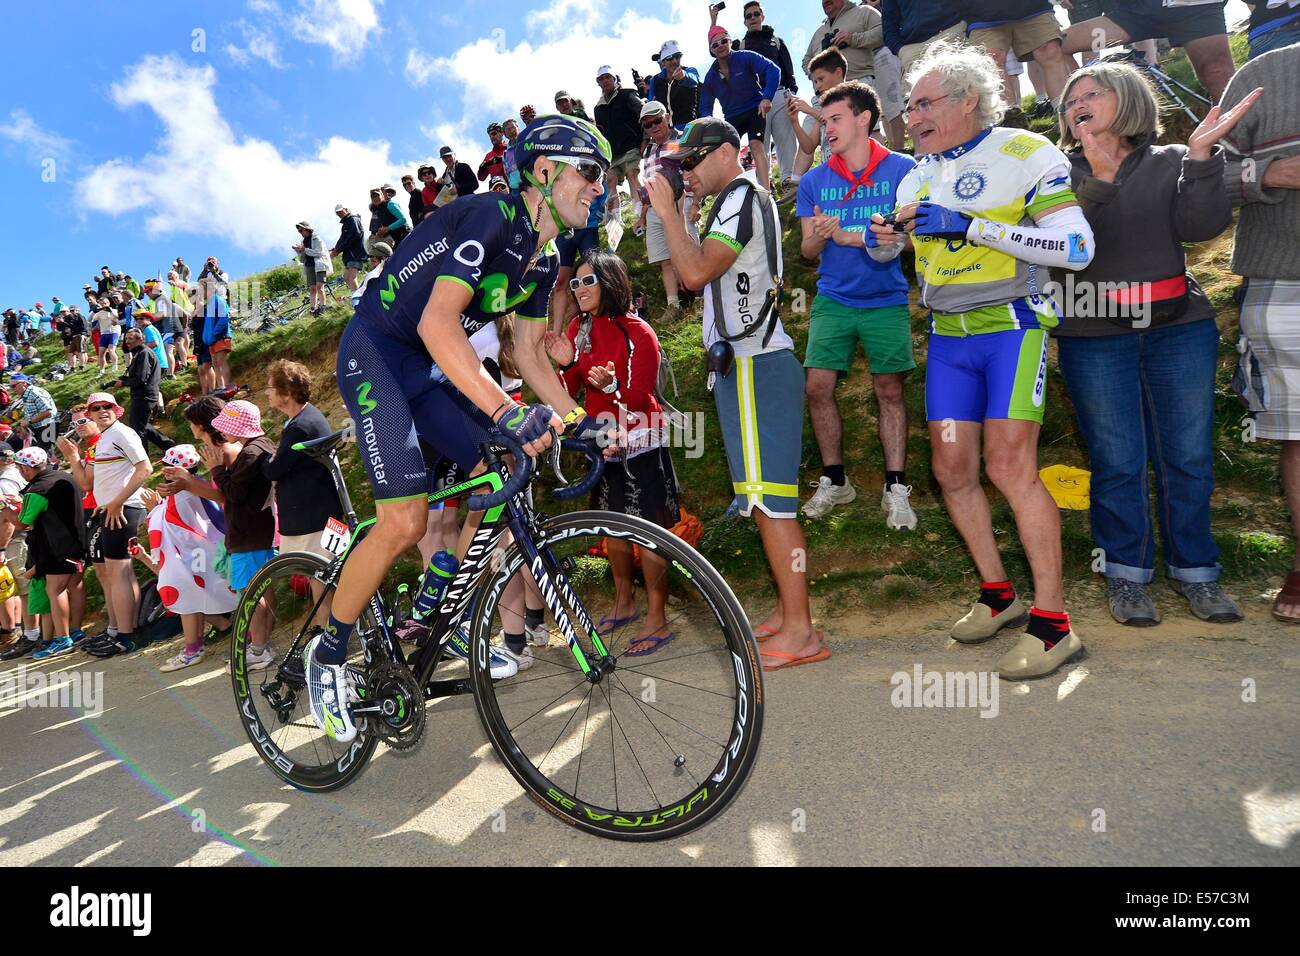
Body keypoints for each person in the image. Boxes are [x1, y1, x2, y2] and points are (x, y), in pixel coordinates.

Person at [304, 114, 613, 743]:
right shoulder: (491, 217)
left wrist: (576, 420)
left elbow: (527, 354)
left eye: (604, 177)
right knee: (406, 520)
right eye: (589, 171)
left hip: (427, 368)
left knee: (496, 476)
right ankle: (329, 654)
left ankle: (432, 598)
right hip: (379, 353)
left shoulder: (545, 254)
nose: (599, 187)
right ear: (545, 171)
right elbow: (439, 327)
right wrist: (506, 412)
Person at [875, 40, 1096, 679]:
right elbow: (894, 255)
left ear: (968, 99)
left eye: (921, 104)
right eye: (908, 106)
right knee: (950, 470)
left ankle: (1055, 625)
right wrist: (885, 241)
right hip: (948, 337)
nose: (909, 116)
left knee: (1008, 466)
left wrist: (972, 225)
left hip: (1012, 328)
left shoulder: (1025, 152)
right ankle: (1000, 595)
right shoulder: (916, 172)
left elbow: (1076, 247)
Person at [1054, 61, 1258, 626]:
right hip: (1092, 333)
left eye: (1091, 92)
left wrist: (1199, 159)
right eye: (1071, 99)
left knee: (1188, 455)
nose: (1078, 103)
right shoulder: (1055, 171)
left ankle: (1198, 573)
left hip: (1179, 328)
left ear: (1129, 100)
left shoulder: (1171, 160)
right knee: (1117, 459)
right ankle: (1126, 576)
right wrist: (1097, 177)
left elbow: (1200, 228)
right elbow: (1065, 247)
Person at [646, 116, 828, 671]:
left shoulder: (742, 198)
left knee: (772, 505)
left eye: (694, 162)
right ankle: (789, 611)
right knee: (758, 500)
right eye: (682, 167)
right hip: (745, 365)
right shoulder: (733, 201)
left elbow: (696, 273)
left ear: (729, 152)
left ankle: (802, 630)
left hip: (755, 364)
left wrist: (670, 216)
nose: (688, 174)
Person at [796, 80, 919, 526]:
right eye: (823, 121)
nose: (826, 128)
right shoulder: (813, 180)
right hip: (833, 298)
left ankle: (895, 488)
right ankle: (836, 481)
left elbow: (921, 242)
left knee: (889, 390)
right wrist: (822, 237)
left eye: (835, 119)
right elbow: (807, 252)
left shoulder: (904, 169)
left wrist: (865, 238)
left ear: (863, 118)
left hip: (886, 299)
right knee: (816, 388)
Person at [548, 251, 681, 654]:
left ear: (610, 282)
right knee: (612, 526)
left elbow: (642, 396)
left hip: (641, 441)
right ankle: (624, 604)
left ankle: (658, 618)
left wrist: (611, 389)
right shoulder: (577, 327)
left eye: (588, 281)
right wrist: (565, 363)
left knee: (649, 531)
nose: (580, 289)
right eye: (576, 283)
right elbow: (568, 391)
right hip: (601, 444)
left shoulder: (638, 331)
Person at [1219, 44, 1300, 623]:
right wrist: (1268, 172)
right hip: (1282, 278)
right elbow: (1198, 176)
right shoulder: (1263, 74)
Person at [135, 445, 237, 672]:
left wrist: (153, 509)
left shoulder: (180, 493)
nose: (164, 472)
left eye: (167, 468)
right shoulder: (197, 484)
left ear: (175, 470)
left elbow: (169, 524)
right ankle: (214, 633)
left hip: (188, 556)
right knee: (198, 597)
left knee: (187, 601)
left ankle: (192, 650)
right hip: (201, 552)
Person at [67, 393, 150, 658]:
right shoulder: (107, 436)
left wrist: (116, 502)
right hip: (112, 509)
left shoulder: (122, 434)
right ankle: (124, 632)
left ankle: (126, 636)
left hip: (123, 509)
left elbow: (145, 468)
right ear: (90, 413)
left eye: (108, 406)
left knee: (119, 573)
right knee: (118, 574)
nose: (102, 410)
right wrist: (108, 502)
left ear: (118, 410)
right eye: (96, 407)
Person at [1062, 0, 1237, 104]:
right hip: (1134, 12)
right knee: (1060, 44)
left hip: (1192, 8)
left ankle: (1237, 141)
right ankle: (1085, 115)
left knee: (1218, 74)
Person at [1, 448, 83, 660]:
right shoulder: (62, 476)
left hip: (56, 548)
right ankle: (66, 634)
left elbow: (22, 522)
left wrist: (3, 508)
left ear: (26, 468)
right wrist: (20, 503)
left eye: (20, 468)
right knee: (66, 588)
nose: (19, 471)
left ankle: (63, 639)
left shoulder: (37, 489)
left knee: (55, 591)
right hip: (73, 542)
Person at [262, 360, 345, 568]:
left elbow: (273, 469)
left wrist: (267, 459)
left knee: (320, 581)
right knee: (323, 580)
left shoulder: (300, 426)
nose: (266, 393)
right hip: (319, 513)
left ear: (287, 393)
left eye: (271, 388)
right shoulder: (306, 417)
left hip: (313, 518)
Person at [700, 25, 783, 189]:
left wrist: (767, 97)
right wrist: (709, 126)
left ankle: (766, 191)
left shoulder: (745, 57)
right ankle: (736, 191)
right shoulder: (710, 77)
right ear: (711, 50)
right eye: (715, 44)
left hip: (754, 109)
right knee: (727, 153)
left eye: (724, 41)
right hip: (732, 117)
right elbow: (705, 107)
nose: (720, 46)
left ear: (730, 41)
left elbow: (773, 70)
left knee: (756, 145)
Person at [965, 0, 1075, 122]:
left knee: (1050, 50)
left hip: (1033, 7)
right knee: (992, 62)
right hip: (981, 13)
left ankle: (1067, 118)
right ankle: (1012, 124)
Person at [638, 100, 698, 321]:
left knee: (691, 251)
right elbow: (647, 184)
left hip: (681, 203)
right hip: (654, 208)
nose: (654, 126)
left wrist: (696, 203)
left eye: (657, 120)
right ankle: (673, 305)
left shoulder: (683, 139)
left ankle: (701, 300)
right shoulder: (649, 150)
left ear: (667, 117)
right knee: (664, 259)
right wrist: (642, 216)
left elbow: (694, 173)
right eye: (648, 124)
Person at [735, 2, 803, 189]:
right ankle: (764, 185)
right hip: (756, 99)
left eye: (756, 14)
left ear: (762, 16)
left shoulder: (777, 41)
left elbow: (788, 70)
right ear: (745, 21)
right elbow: (716, 50)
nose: (753, 18)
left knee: (785, 139)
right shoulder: (740, 45)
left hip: (780, 94)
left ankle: (789, 181)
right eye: (749, 15)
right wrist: (713, 20)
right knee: (759, 144)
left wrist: (792, 93)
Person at [594, 66, 646, 222]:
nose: (605, 81)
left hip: (631, 145)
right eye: (601, 79)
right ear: (598, 83)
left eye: (608, 77)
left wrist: (646, 139)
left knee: (632, 175)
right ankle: (616, 221)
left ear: (614, 79)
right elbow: (601, 135)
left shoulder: (628, 94)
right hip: (612, 154)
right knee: (610, 181)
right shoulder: (598, 108)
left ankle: (640, 214)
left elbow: (644, 113)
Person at [114, 327, 173, 455]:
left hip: (144, 395)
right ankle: (169, 446)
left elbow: (141, 378)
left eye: (130, 339)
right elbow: (139, 376)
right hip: (143, 395)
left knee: (137, 428)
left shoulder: (144, 353)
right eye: (126, 339)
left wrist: (123, 382)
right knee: (142, 425)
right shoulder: (140, 353)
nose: (127, 342)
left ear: (140, 340)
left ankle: (143, 459)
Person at [880, 0, 966, 83]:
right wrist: (901, 50)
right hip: (913, 50)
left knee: (960, 87)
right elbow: (888, 25)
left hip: (951, 35)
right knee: (917, 95)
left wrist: (973, 27)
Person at [801, 0, 884, 83]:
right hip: (825, 93)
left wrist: (852, 39)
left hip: (857, 84)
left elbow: (883, 32)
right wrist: (816, 76)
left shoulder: (863, 11)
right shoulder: (818, 32)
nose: (825, 1)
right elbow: (806, 61)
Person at [648, 40, 702, 132]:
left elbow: (694, 80)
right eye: (669, 58)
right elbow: (650, 103)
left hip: (689, 127)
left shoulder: (689, 71)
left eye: (678, 56)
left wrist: (683, 76)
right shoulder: (655, 80)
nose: (674, 61)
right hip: (666, 131)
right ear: (663, 62)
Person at [10, 375, 57, 452]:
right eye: (11, 386)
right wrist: (24, 425)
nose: (13, 389)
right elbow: (32, 412)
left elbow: (48, 411)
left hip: (48, 427)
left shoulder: (34, 393)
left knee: (43, 455)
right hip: (40, 428)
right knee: (38, 455)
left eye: (14, 386)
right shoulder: (27, 394)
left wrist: (29, 422)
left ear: (24, 383)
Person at [293, 220, 331, 315]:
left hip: (320, 265)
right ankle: (313, 309)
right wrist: (299, 251)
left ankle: (323, 307)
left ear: (307, 229)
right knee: (312, 289)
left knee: (320, 287)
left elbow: (319, 253)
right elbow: (302, 260)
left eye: (301, 230)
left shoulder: (317, 238)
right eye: (299, 231)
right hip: (309, 266)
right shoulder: (303, 242)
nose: (300, 233)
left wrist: (304, 250)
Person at [330, 204, 368, 291]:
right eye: (338, 213)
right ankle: (356, 297)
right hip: (350, 255)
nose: (340, 214)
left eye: (341, 211)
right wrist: (336, 248)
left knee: (351, 278)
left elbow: (354, 236)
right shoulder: (346, 223)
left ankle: (359, 300)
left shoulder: (353, 219)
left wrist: (338, 249)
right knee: (347, 278)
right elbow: (342, 238)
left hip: (355, 254)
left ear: (346, 209)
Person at [92, 295, 121, 376]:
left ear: (108, 303)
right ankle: (101, 371)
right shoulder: (99, 313)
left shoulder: (114, 310)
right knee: (101, 353)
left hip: (114, 332)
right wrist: (94, 311)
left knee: (111, 350)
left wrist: (110, 311)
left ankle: (114, 368)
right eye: (101, 304)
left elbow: (118, 318)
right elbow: (90, 319)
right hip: (104, 333)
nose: (103, 305)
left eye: (104, 303)